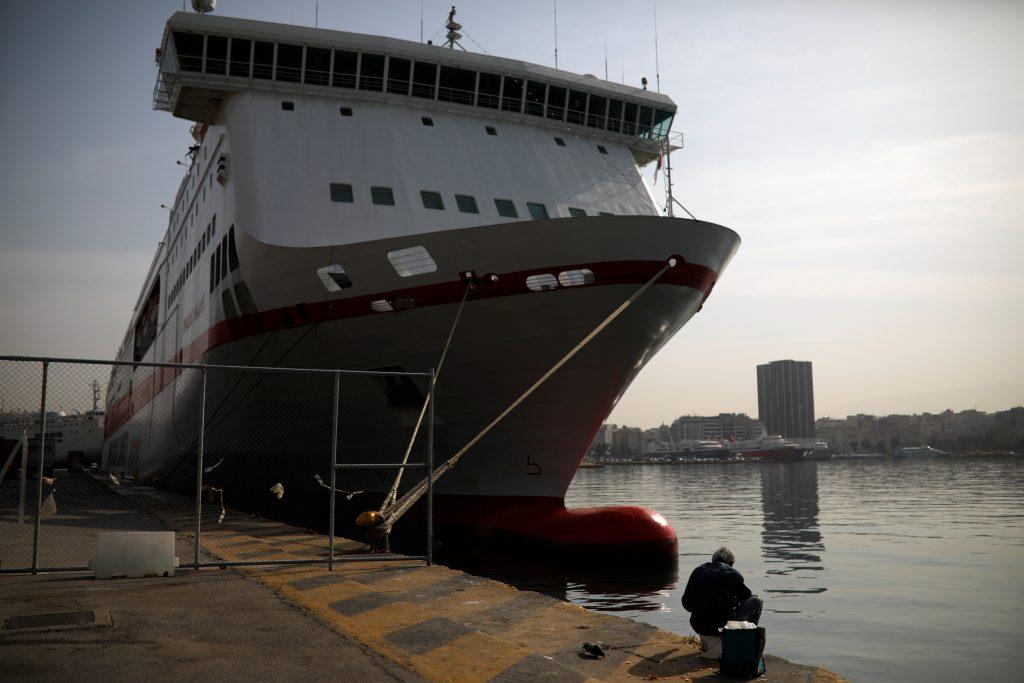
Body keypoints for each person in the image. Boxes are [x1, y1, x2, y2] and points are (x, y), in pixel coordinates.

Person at [681, 546, 762, 636]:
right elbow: (746, 596)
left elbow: (686, 604)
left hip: (698, 625)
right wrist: (732, 602)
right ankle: (748, 637)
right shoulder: (732, 573)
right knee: (756, 600)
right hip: (722, 626)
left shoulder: (698, 571)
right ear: (731, 563)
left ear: (713, 560)